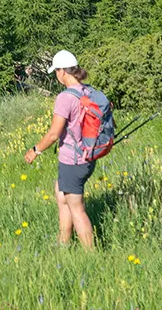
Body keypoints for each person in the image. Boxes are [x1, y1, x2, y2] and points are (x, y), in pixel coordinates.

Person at [23, 50, 97, 250]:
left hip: (73, 160)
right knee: (61, 194)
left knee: (77, 209)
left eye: (56, 71)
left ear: (63, 71)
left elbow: (54, 134)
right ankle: (63, 243)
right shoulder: (88, 91)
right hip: (88, 156)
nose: (56, 75)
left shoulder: (65, 97)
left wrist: (35, 150)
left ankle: (91, 255)